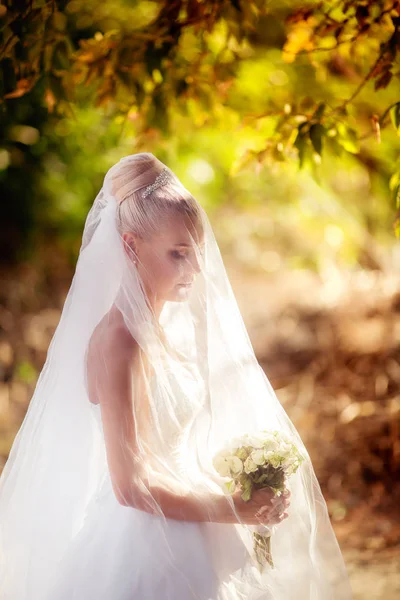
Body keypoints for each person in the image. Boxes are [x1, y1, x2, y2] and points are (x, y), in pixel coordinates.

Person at [0, 153, 352, 599]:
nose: (197, 268)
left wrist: (246, 484)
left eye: (197, 251)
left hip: (189, 517)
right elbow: (131, 486)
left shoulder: (158, 327)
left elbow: (170, 447)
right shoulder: (120, 341)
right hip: (147, 544)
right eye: (178, 254)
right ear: (130, 247)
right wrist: (237, 510)